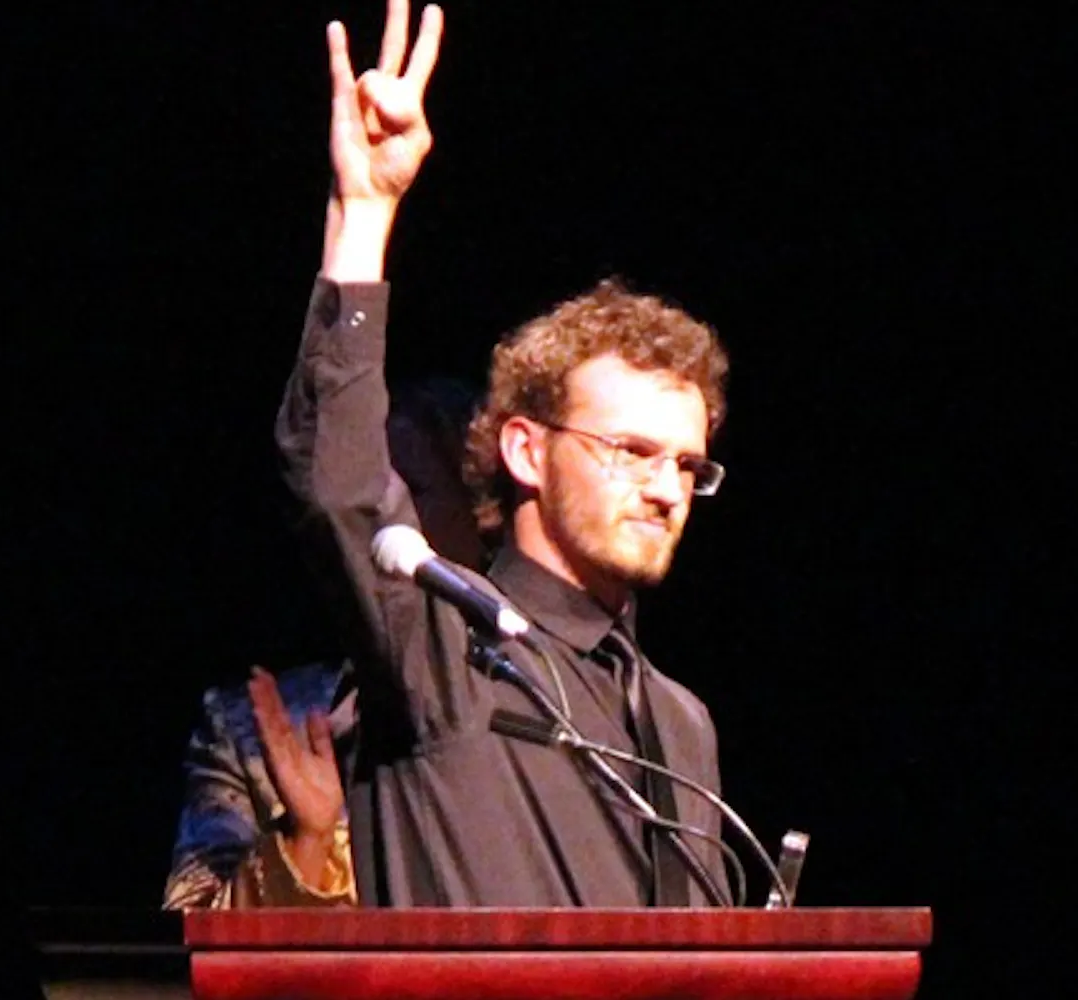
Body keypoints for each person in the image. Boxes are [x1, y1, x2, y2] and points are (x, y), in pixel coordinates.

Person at [275, 0, 734, 907]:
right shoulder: (446, 648)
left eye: (687, 465)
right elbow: (339, 482)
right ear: (526, 450)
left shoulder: (682, 722)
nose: (664, 488)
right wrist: (363, 212)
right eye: (632, 451)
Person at [163, 377, 485, 909]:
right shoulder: (249, 732)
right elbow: (192, 930)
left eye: (411, 494)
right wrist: (308, 842)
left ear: (479, 513)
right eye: (361, 508)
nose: (376, 528)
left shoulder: (548, 707)